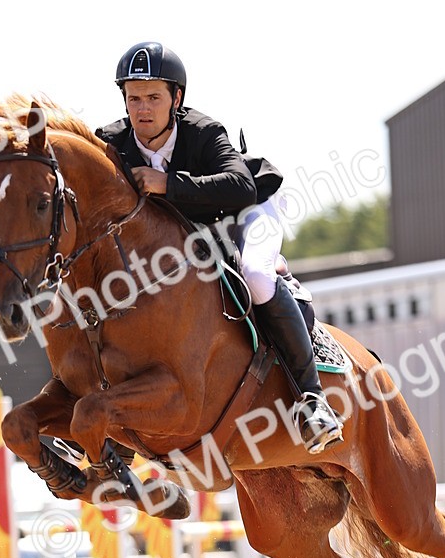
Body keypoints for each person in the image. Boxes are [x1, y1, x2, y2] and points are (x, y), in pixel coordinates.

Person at [96, 41, 343, 455]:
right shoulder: (112, 143)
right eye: (133, 97)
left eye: (154, 97)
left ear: (176, 98)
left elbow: (241, 187)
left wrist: (167, 184)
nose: (142, 109)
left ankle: (312, 399)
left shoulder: (203, 132)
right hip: (188, 236)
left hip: (246, 211)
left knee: (257, 277)